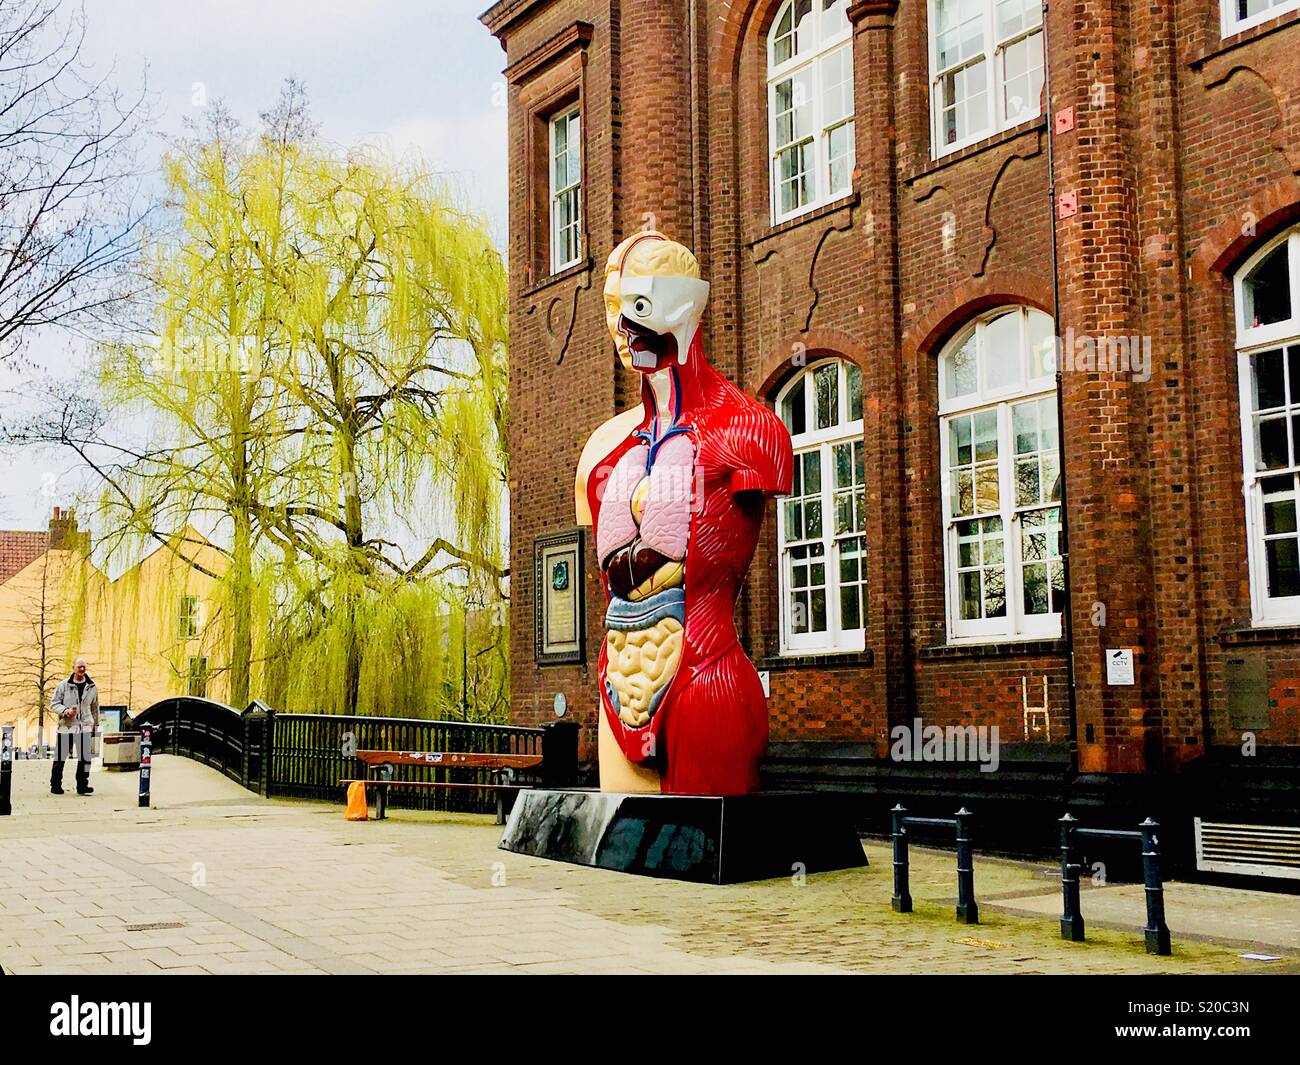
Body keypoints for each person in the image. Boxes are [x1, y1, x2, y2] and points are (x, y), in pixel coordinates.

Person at [50, 657, 98, 796]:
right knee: (60, 757)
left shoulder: (92, 686)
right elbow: (54, 703)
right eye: (79, 667)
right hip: (67, 726)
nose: (82, 669)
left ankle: (82, 785)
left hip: (85, 727)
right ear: (73, 668)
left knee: (85, 758)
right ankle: (55, 785)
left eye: (84, 667)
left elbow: (95, 707)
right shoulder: (64, 685)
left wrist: (95, 724)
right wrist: (65, 711)